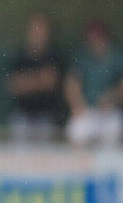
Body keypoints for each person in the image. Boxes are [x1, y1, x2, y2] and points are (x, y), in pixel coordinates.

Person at [64, 20, 123, 147]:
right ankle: (80, 165)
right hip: (87, 109)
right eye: (92, 37)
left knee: (115, 129)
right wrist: (78, 105)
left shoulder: (116, 55)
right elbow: (71, 84)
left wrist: (112, 98)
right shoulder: (82, 57)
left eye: (99, 37)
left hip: (109, 110)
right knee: (77, 130)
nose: (96, 41)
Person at [8, 13, 65, 143]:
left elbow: (52, 82)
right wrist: (39, 79)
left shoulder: (53, 54)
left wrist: (27, 81)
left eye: (41, 28)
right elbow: (14, 84)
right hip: (22, 114)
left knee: (45, 158)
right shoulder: (20, 54)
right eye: (35, 28)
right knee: (20, 159)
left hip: (46, 115)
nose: (38, 32)